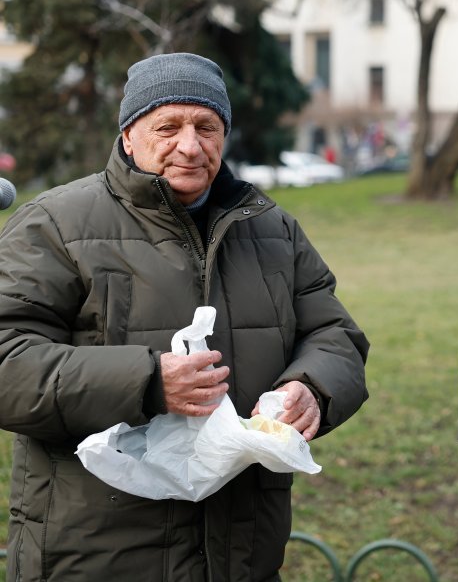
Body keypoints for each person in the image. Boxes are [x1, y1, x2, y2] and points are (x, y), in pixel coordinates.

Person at [0, 53, 369, 581]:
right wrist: (147, 381)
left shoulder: (272, 230)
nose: (190, 146)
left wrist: (313, 387)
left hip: (240, 551)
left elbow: (334, 334)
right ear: (129, 135)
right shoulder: (54, 225)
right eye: (166, 127)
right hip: (95, 551)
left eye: (207, 127)